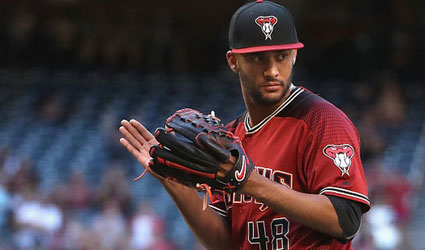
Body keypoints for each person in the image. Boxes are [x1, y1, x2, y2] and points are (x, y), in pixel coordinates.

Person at [119, 0, 370, 249]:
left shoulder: (322, 120)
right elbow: (224, 243)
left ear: (294, 56)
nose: (272, 70)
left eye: (281, 56)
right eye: (258, 58)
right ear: (233, 61)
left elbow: (345, 220)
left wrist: (247, 180)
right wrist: (171, 180)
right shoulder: (229, 139)